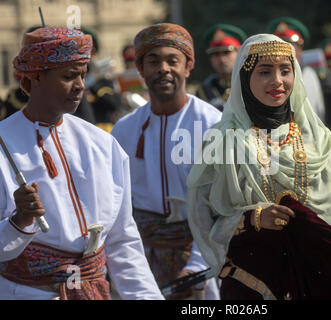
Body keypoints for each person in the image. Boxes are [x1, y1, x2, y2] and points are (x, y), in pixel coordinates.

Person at [187, 34, 331, 300]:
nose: (277, 81)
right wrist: (252, 218)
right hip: (252, 281)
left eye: (285, 71)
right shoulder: (222, 140)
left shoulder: (319, 138)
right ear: (244, 79)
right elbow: (203, 218)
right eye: (265, 72)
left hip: (318, 278)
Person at [0, 26, 163, 300]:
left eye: (83, 75)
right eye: (68, 76)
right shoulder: (3, 144)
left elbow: (122, 240)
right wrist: (20, 221)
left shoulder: (103, 144)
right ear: (35, 78)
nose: (80, 85)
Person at [111, 23, 221, 300]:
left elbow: (222, 206)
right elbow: (116, 208)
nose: (163, 69)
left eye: (173, 60)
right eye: (153, 61)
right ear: (141, 70)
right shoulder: (124, 130)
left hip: (201, 264)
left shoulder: (213, 125)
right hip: (141, 265)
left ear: (188, 66)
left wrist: (198, 266)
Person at [267, 17, 326, 122]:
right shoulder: (263, 74)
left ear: (300, 49)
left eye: (289, 44)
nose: (281, 49)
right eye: (278, 44)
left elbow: (314, 116)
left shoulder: (308, 74)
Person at [196, 24, 246, 111]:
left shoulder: (254, 85)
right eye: (215, 54)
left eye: (226, 52)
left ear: (240, 54)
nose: (221, 59)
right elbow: (197, 122)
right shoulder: (203, 91)